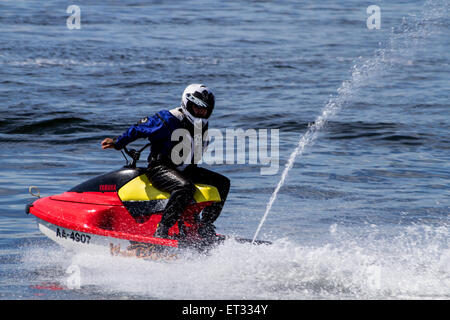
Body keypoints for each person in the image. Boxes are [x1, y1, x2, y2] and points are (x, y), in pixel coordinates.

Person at [101, 84, 230, 240]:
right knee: (185, 188)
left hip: (186, 169)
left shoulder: (202, 124)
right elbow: (139, 128)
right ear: (187, 103)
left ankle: (203, 227)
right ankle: (162, 230)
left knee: (222, 183)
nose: (201, 112)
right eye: (197, 107)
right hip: (160, 169)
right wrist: (118, 142)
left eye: (205, 109)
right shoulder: (168, 119)